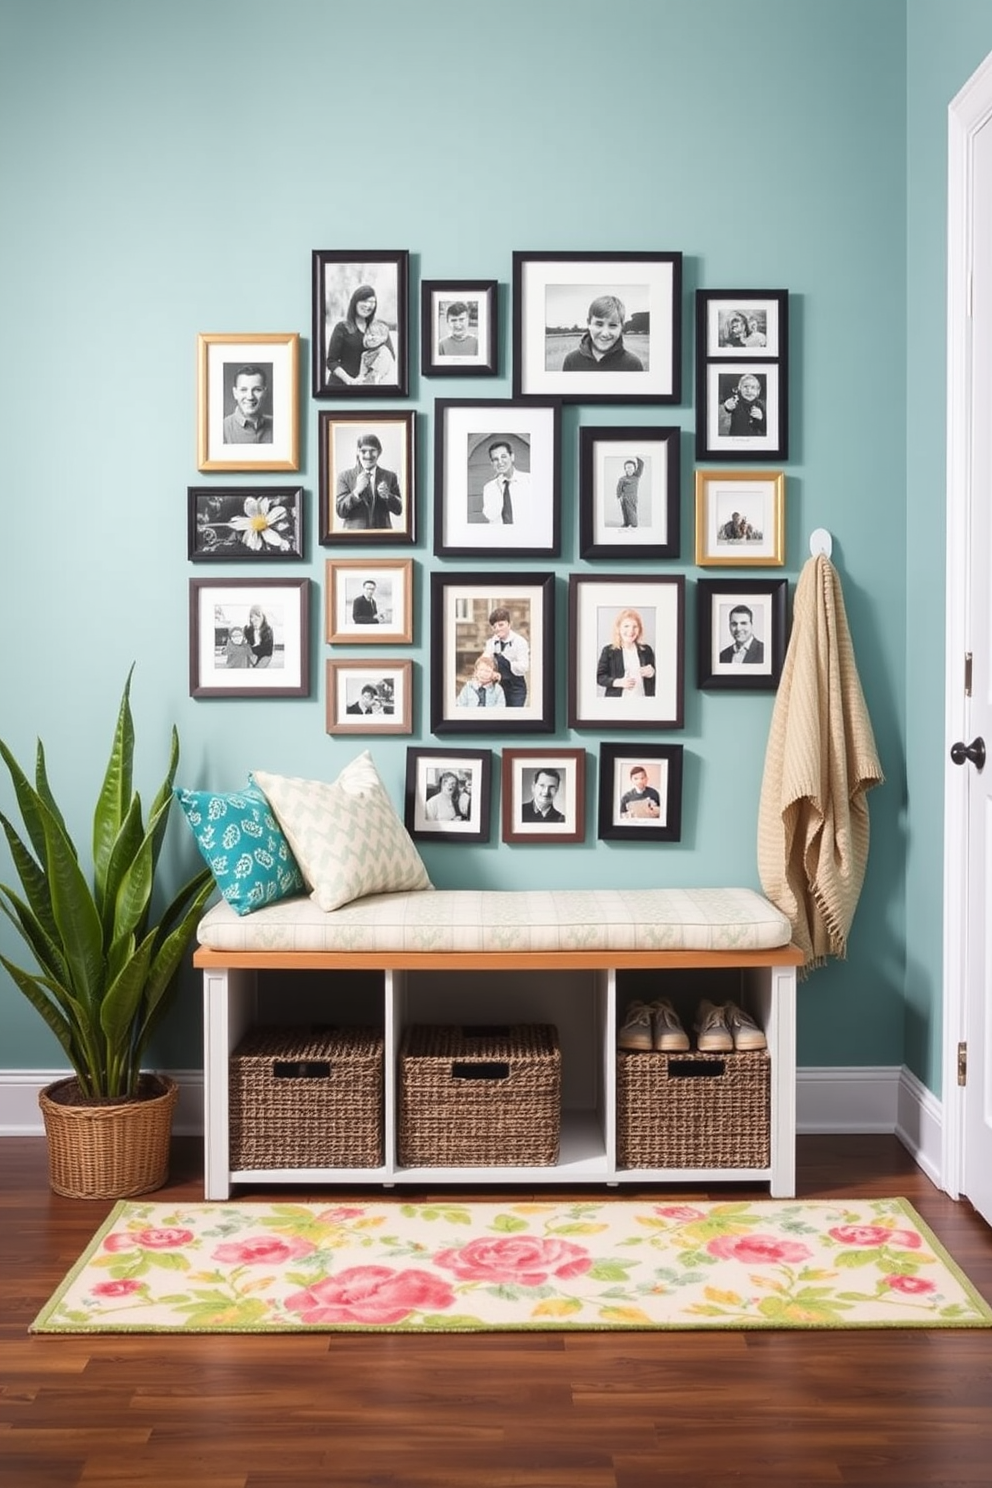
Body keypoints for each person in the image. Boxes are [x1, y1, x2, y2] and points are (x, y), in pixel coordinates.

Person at [326, 284, 394, 387]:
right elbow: (332, 361)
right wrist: (350, 380)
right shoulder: (342, 327)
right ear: (355, 302)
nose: (368, 305)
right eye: (364, 301)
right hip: (341, 386)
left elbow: (390, 356)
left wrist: (371, 378)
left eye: (372, 302)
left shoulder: (381, 328)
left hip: (368, 387)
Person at [335, 433, 403, 530]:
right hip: (354, 538)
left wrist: (388, 496)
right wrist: (356, 492)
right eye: (363, 451)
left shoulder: (390, 476)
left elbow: (399, 510)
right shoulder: (344, 476)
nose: (368, 455)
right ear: (358, 452)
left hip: (383, 538)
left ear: (379, 452)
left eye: (372, 451)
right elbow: (340, 511)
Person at [561, 293, 643, 372]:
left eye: (613, 325)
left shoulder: (633, 365)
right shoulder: (571, 361)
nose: (605, 334)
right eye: (599, 324)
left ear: (622, 327)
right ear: (588, 323)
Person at [597, 608, 656, 699]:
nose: (631, 631)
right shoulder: (609, 651)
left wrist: (652, 673)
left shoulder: (646, 650)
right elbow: (600, 677)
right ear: (618, 628)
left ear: (639, 629)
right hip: (617, 704)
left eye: (635, 626)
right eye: (626, 626)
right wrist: (618, 682)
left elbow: (662, 679)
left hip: (644, 702)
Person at [483, 606, 529, 707]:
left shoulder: (520, 642)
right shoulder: (491, 642)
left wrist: (506, 662)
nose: (497, 629)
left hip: (516, 687)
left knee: (514, 718)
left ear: (509, 624)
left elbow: (524, 667)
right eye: (494, 627)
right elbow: (485, 661)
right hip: (497, 686)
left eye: (501, 625)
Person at [480, 440, 531, 526]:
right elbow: (490, 515)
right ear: (492, 464)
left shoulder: (530, 480)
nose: (500, 462)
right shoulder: (489, 487)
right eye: (495, 459)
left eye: (503, 456)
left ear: (512, 457)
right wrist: (499, 490)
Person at [222, 365, 273, 444]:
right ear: (235, 393)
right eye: (243, 390)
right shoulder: (221, 429)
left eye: (257, 390)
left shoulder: (278, 425)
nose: (250, 397)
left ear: (265, 393)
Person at [360, 320, 396, 384]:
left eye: (373, 335)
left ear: (383, 338)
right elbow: (362, 375)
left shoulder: (384, 353)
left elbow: (375, 377)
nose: (369, 337)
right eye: (367, 334)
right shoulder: (365, 355)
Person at [616, 455, 644, 529]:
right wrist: (619, 496)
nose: (629, 469)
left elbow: (641, 465)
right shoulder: (622, 479)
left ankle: (634, 525)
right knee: (625, 511)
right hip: (623, 497)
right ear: (625, 469)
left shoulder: (636, 476)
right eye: (627, 468)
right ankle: (626, 523)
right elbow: (619, 488)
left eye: (631, 467)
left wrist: (637, 457)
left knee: (631, 511)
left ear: (635, 469)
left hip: (632, 497)